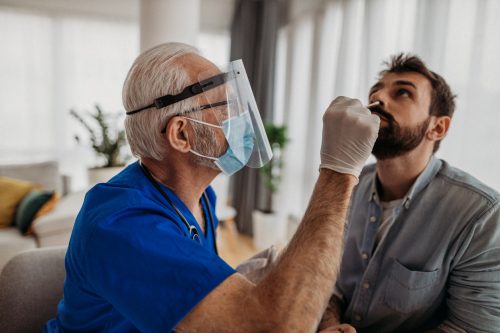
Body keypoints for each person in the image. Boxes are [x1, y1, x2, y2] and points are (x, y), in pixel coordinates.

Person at [44, 42, 380, 332]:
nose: (242, 118)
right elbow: (272, 328)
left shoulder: (201, 197)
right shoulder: (121, 224)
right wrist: (339, 172)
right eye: (224, 106)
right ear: (181, 134)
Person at [319, 53, 500, 333]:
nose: (378, 99)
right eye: (375, 90)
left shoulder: (481, 215)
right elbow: (331, 280)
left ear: (437, 127)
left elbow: (471, 327)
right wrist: (331, 323)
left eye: (402, 92)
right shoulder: (348, 185)